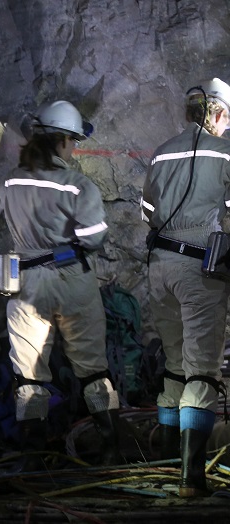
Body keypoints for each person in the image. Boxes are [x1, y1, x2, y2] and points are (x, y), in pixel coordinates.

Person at [0, 101, 122, 470]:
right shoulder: (78, 186)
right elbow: (93, 239)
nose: (74, 148)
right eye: (73, 141)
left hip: (26, 283)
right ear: (62, 140)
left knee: (29, 373)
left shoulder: (11, 180)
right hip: (70, 277)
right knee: (93, 368)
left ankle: (36, 461)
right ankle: (111, 451)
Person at [141, 78, 230, 497]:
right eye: (226, 117)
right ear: (215, 112)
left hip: (159, 267)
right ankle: (192, 479)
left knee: (175, 365)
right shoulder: (225, 153)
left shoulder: (161, 153)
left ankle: (163, 461)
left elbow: (147, 212)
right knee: (202, 371)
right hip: (199, 269)